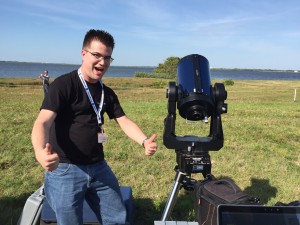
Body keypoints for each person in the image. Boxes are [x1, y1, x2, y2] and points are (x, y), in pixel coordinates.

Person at [31, 29, 157, 225]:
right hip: (65, 169)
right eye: (96, 55)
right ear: (84, 54)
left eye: (107, 58)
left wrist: (143, 140)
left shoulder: (106, 92)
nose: (102, 62)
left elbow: (123, 120)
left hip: (98, 167)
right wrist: (40, 152)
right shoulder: (63, 85)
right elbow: (42, 121)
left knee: (116, 218)